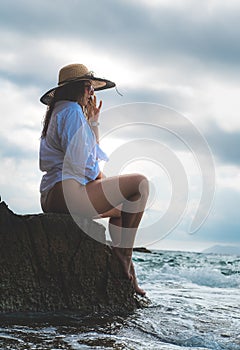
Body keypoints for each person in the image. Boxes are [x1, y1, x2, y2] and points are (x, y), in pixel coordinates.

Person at [39, 63, 149, 296]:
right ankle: (123, 255)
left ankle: (127, 269)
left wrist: (94, 123)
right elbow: (83, 165)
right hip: (65, 193)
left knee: (123, 209)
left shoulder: (63, 111)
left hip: (56, 194)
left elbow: (88, 155)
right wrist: (102, 179)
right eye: (88, 87)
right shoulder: (70, 111)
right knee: (140, 184)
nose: (91, 92)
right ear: (77, 89)